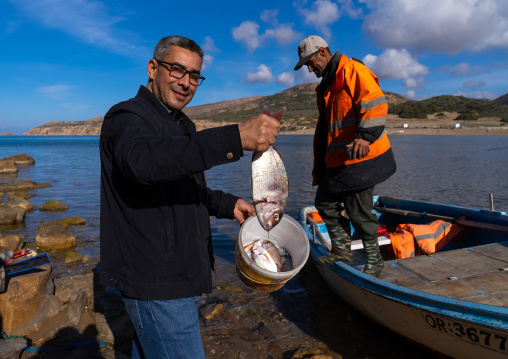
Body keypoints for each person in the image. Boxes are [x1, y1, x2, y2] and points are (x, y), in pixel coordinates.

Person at [99, 35, 280, 359]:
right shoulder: (127, 118)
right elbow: (144, 163)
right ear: (153, 68)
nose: (186, 82)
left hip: (180, 276)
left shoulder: (181, 125)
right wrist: (235, 138)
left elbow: (176, 185)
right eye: (176, 70)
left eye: (194, 75)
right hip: (156, 281)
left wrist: (226, 204)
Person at [294, 35, 396, 277]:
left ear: (322, 52)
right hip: (340, 161)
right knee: (325, 204)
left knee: (359, 212)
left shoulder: (352, 70)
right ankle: (342, 250)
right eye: (306, 66)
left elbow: (377, 103)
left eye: (309, 63)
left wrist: (365, 136)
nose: (309, 69)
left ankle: (375, 259)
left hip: (361, 159)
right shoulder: (329, 83)